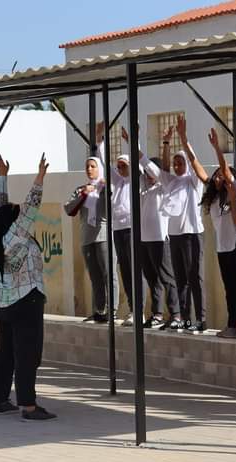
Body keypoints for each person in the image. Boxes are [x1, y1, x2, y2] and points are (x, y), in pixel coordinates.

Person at [0, 152, 55, 421]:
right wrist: (40, 176)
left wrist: (2, 177)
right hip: (26, 301)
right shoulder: (18, 233)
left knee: (5, 351)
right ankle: (28, 405)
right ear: (15, 220)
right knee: (27, 354)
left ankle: (1, 400)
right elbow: (31, 205)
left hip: (2, 303)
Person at [122, 128, 181, 330]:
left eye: (152, 172)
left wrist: (137, 142)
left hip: (160, 238)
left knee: (167, 277)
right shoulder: (142, 186)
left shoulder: (164, 186)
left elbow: (148, 163)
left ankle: (176, 314)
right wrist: (132, 142)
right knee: (151, 278)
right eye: (146, 173)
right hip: (143, 239)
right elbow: (138, 165)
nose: (148, 175)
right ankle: (157, 314)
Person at [196, 128, 236, 339]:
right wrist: (185, 142)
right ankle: (232, 324)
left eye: (220, 175)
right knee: (230, 289)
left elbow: (226, 171)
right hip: (222, 249)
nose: (217, 177)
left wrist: (217, 148)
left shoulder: (235, 192)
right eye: (215, 175)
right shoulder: (215, 198)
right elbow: (199, 172)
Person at [162, 115, 207, 334]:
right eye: (175, 163)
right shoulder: (171, 182)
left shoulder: (193, 181)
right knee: (180, 279)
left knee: (194, 278)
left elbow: (196, 163)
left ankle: (201, 319)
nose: (177, 166)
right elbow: (163, 168)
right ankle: (186, 319)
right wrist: (166, 143)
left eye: (181, 163)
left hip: (192, 234)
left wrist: (183, 138)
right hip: (175, 236)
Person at [65, 140, 118, 324]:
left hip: (104, 236)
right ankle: (99, 310)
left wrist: (105, 187)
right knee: (95, 277)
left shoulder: (107, 188)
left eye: (93, 166)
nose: (89, 169)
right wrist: (84, 194)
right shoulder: (81, 189)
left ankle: (112, 310)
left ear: (99, 169)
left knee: (108, 274)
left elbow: (114, 205)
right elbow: (69, 209)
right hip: (87, 238)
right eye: (87, 167)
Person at [97, 123, 138, 327]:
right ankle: (132, 308)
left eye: (124, 166)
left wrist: (131, 140)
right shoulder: (118, 181)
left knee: (134, 270)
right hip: (118, 229)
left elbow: (139, 161)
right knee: (125, 272)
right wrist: (100, 139)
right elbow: (104, 163)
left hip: (131, 228)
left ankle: (138, 310)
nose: (120, 169)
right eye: (119, 166)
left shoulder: (134, 180)